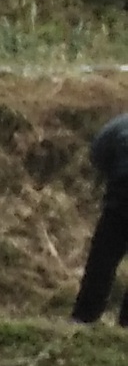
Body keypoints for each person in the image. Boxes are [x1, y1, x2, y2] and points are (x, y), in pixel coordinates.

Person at [75, 112, 128, 326]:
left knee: (101, 265)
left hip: (119, 201)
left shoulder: (121, 124)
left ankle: (83, 318)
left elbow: (97, 151)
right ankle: (125, 327)